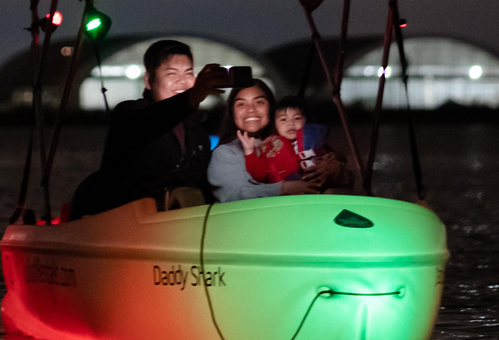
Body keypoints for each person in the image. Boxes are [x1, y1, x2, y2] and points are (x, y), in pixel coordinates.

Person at [69, 40, 229, 219]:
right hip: (120, 225)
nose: (182, 81)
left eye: (189, 73)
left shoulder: (198, 135)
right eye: (171, 73)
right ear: (148, 81)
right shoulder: (130, 115)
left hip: (174, 228)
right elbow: (151, 121)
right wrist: (193, 95)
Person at [207, 80, 350, 203]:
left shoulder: (296, 142)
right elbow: (234, 195)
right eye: (241, 104)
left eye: (259, 102)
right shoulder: (225, 153)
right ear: (232, 113)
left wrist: (334, 170)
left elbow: (349, 179)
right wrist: (284, 188)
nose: (251, 110)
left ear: (271, 109)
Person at [238, 95, 328, 184]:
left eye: (297, 118)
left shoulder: (315, 141)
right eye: (283, 119)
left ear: (306, 120)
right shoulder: (269, 147)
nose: (290, 123)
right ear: (274, 124)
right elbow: (260, 175)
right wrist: (250, 153)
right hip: (285, 194)